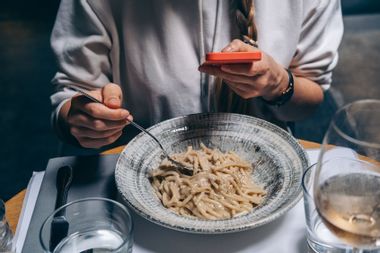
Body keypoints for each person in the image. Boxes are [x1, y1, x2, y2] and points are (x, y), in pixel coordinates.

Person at [50, 0, 343, 150]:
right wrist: (82, 120)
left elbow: (311, 95)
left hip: (269, 170)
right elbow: (71, 95)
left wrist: (279, 84)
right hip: (145, 178)